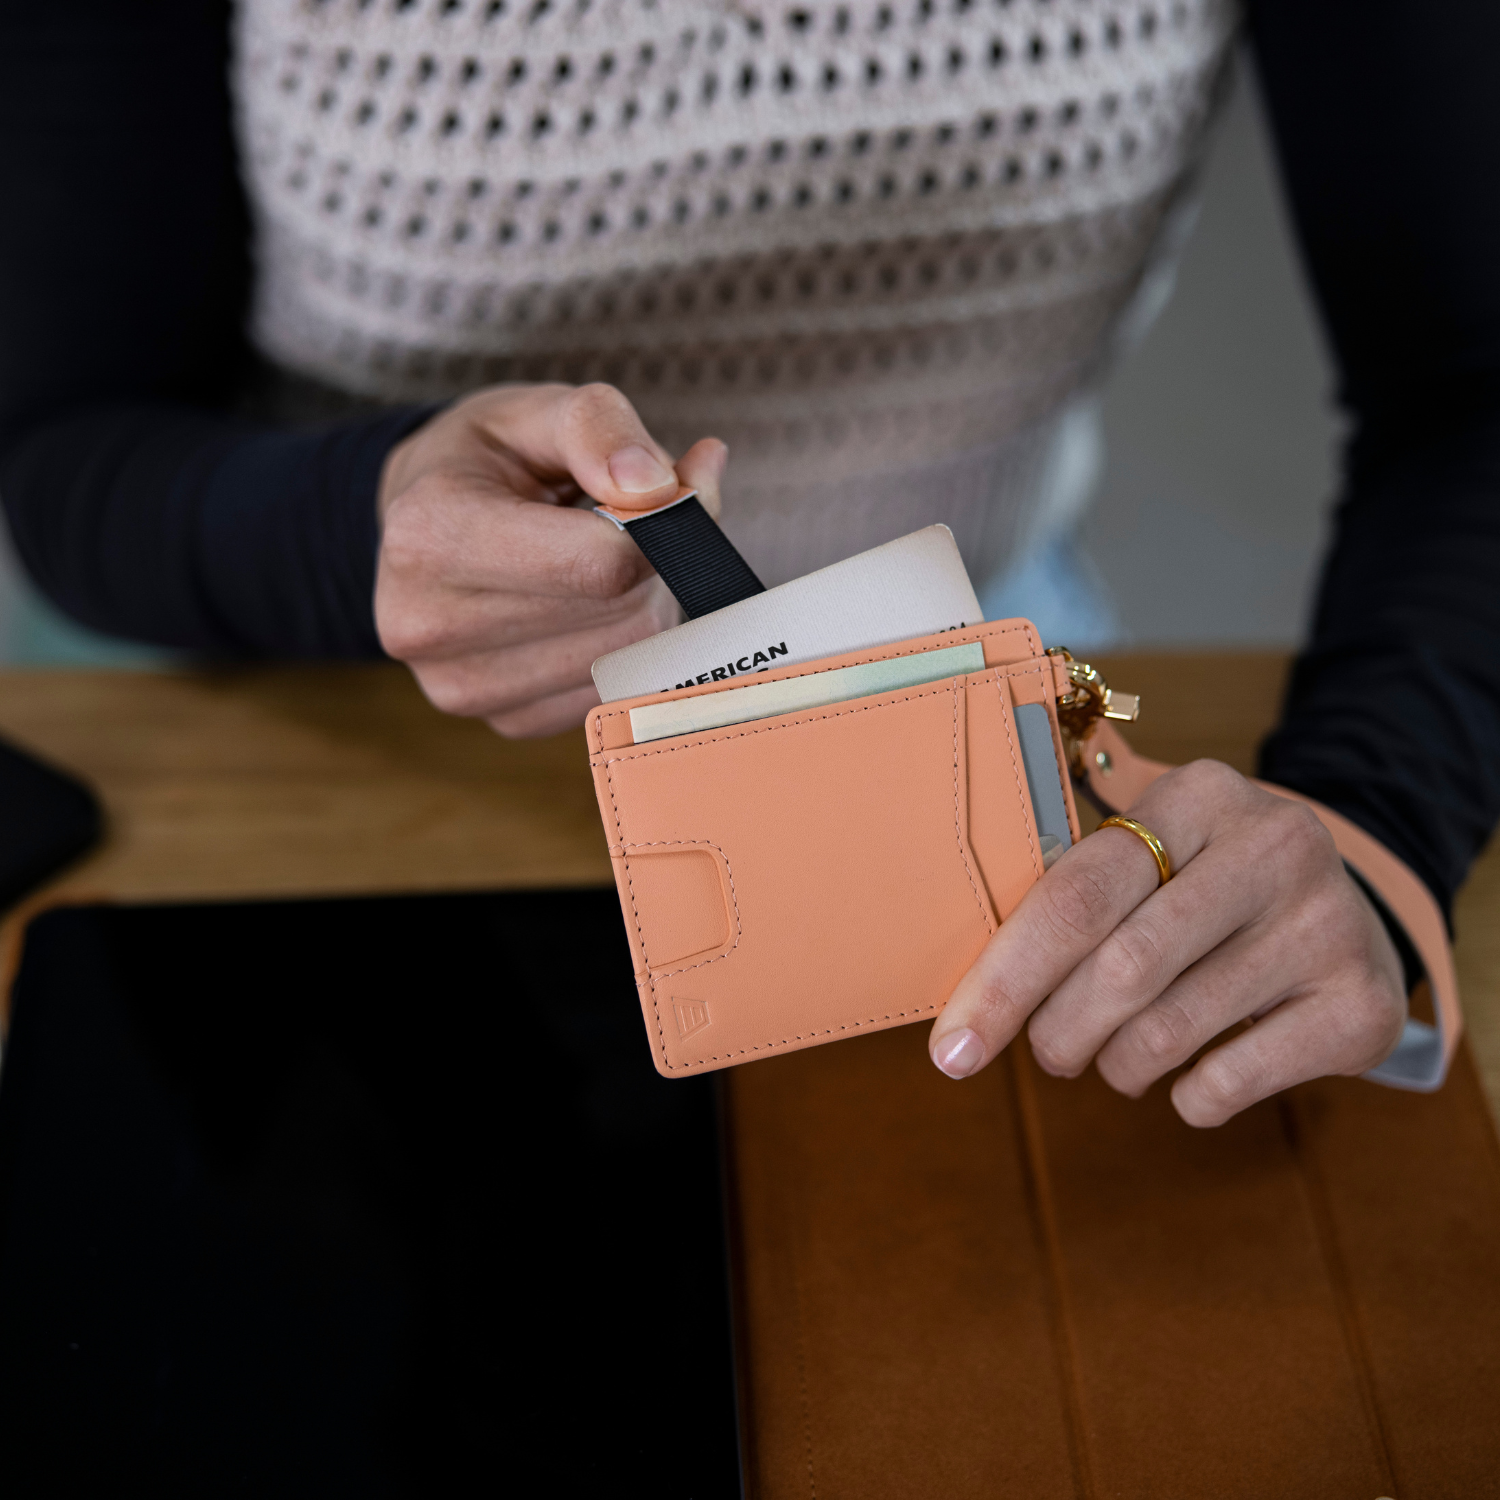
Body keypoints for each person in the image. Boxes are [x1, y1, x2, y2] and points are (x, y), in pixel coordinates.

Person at [0, 1, 1495, 1126]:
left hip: (962, 703)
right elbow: (62, 455)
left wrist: (1371, 825)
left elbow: (1471, 398)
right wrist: (356, 525)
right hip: (332, 710)